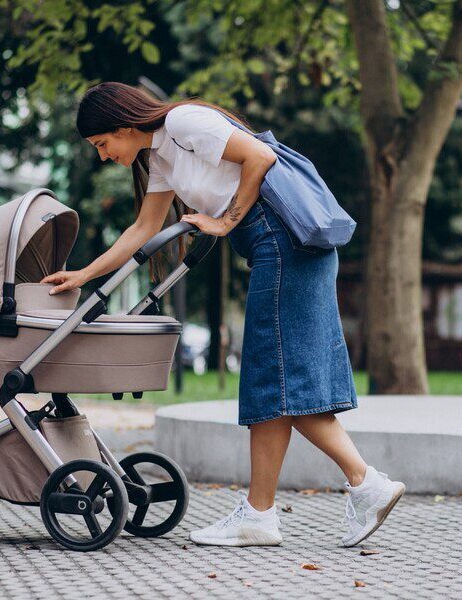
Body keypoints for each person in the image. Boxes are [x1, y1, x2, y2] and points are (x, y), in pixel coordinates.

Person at [41, 81, 405, 547]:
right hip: (281, 248)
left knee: (274, 377)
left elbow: (259, 158)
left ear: (124, 125)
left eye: (102, 143)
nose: (103, 154)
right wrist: (83, 274)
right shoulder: (160, 156)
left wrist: (225, 221)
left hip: (281, 243)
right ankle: (276, 509)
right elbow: (144, 228)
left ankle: (352, 487)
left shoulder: (182, 122)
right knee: (280, 380)